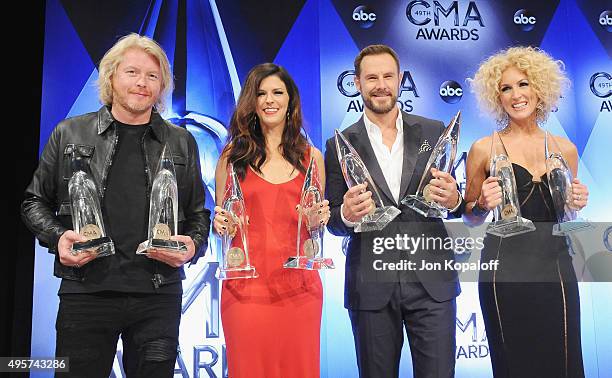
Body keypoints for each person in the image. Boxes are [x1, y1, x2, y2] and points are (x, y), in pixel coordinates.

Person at [21, 33, 210, 377]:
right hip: (86, 293)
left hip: (158, 295)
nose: (142, 83)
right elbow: (34, 203)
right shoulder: (70, 132)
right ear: (110, 77)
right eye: (132, 72)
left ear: (162, 86)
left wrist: (192, 245)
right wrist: (59, 237)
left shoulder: (182, 142)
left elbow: (199, 215)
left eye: (153, 76)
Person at [324, 44, 462, 378]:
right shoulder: (339, 144)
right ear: (357, 83)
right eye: (371, 77)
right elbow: (331, 220)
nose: (381, 84)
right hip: (371, 285)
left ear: (400, 80)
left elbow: (453, 200)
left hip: (432, 282)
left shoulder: (432, 131)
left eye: (388, 76)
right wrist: (346, 215)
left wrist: (453, 198)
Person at [465, 46, 588, 378]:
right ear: (496, 96)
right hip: (504, 272)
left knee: (564, 363)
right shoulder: (482, 148)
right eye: (506, 88)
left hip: (556, 268)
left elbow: (567, 215)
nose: (516, 95)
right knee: (513, 365)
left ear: (540, 88)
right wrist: (482, 204)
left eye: (523, 84)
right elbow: (469, 215)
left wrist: (575, 200)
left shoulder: (566, 149)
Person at [213, 63, 329, 378]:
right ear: (251, 102)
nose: (269, 100)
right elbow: (223, 219)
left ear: (290, 100)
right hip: (245, 291)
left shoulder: (312, 157)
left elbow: (315, 221)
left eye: (277, 92)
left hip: (300, 290)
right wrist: (220, 224)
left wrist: (320, 219)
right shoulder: (231, 157)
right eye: (260, 93)